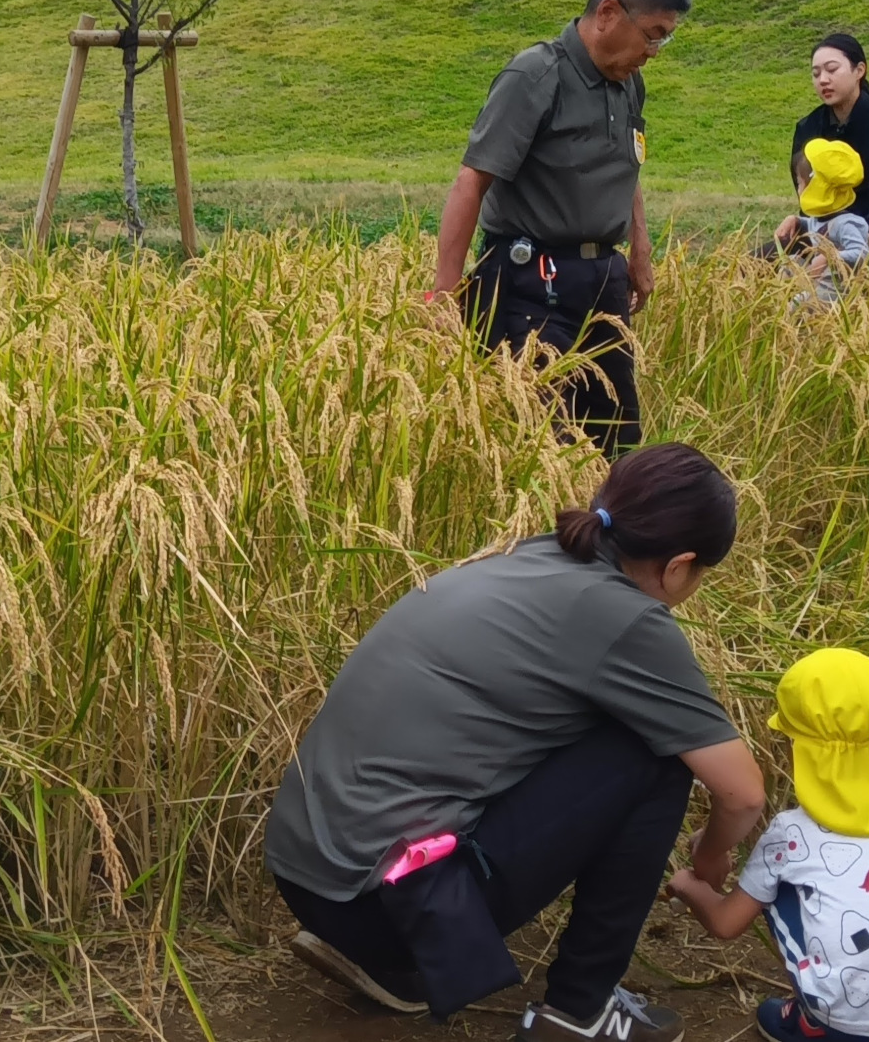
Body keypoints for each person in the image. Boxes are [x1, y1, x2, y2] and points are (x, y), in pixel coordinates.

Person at [266, 442, 765, 1042]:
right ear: (680, 565)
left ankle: (390, 966)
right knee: (655, 758)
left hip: (308, 879)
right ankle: (579, 1010)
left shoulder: (524, 556)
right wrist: (710, 857)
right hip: (380, 910)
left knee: (603, 725)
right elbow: (742, 795)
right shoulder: (626, 617)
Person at [432, 0, 690, 455]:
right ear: (609, 12)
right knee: (541, 442)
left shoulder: (628, 83)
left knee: (615, 440)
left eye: (665, 39)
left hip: (603, 285)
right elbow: (471, 182)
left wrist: (639, 250)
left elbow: (627, 166)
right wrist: (443, 295)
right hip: (532, 285)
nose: (654, 52)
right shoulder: (535, 77)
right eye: (652, 35)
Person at [668, 648, 869, 1042]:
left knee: (781, 887)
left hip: (844, 1026)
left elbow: (726, 923)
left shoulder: (791, 833)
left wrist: (687, 886)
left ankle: (811, 1021)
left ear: (799, 747)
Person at [777, 35, 869, 263]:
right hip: (820, 233)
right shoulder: (808, 127)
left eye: (832, 69)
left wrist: (859, 240)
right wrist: (802, 223)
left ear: (859, 70)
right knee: (756, 264)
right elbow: (807, 191)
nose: (823, 80)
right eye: (816, 74)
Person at [787, 139, 869, 305]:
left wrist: (829, 257)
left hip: (836, 289)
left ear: (816, 188)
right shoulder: (822, 218)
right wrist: (797, 221)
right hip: (821, 278)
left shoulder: (844, 224)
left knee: (797, 305)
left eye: (800, 183)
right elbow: (816, 228)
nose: (798, 189)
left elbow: (861, 252)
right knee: (788, 264)